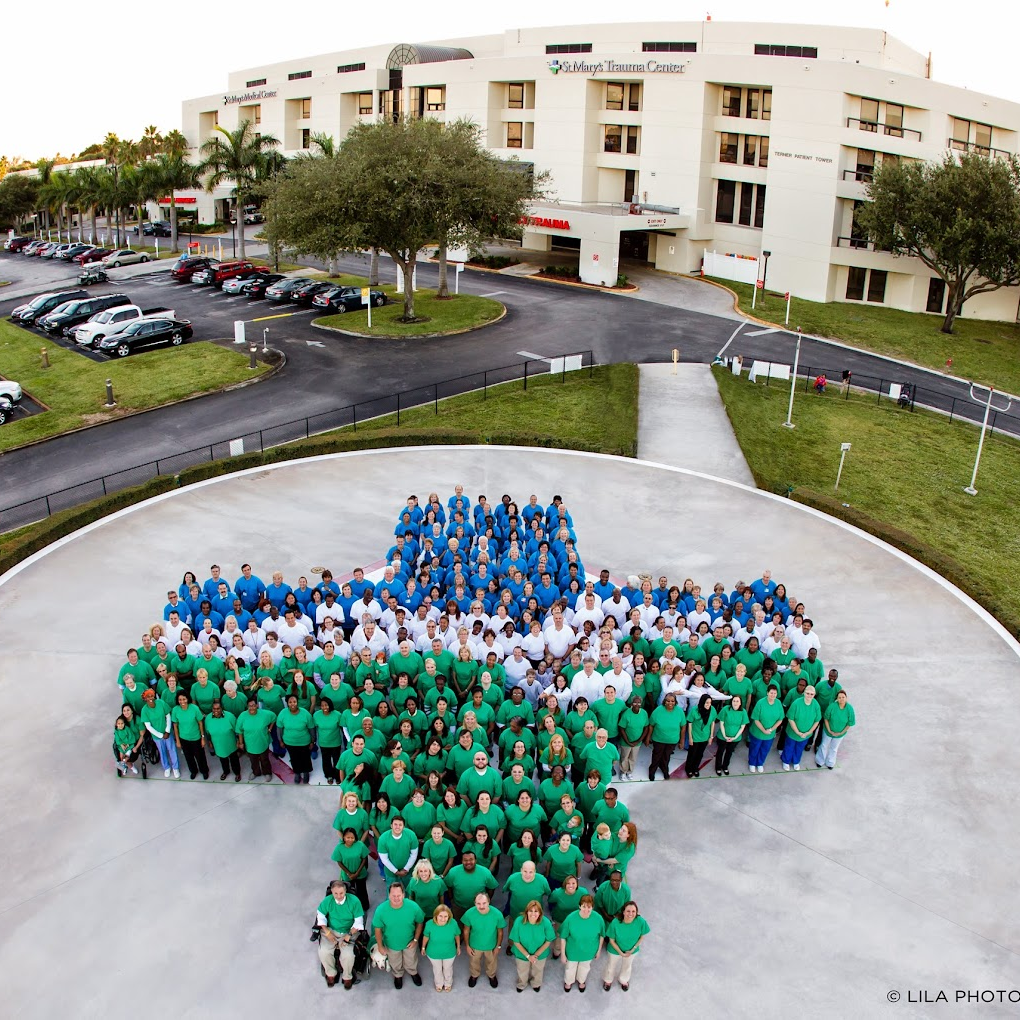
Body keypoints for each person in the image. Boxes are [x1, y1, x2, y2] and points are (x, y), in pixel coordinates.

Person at [372, 883, 425, 989]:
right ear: (389, 895)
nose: (396, 898)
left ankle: (413, 972)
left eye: (399, 895)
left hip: (409, 942)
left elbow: (420, 922)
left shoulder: (413, 906)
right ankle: (398, 975)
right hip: (391, 943)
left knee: (411, 960)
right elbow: (377, 929)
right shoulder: (381, 910)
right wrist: (380, 946)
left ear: (403, 895)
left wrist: (415, 940)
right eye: (393, 895)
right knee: (395, 962)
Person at [316, 879, 365, 989]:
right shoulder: (328, 901)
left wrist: (348, 935)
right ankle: (331, 973)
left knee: (348, 954)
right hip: (331, 930)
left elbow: (358, 922)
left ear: (345, 891)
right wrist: (327, 932)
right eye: (335, 893)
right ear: (332, 892)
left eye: (341, 893)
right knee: (323, 951)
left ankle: (347, 976)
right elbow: (320, 916)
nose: (338, 896)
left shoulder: (354, 901)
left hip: (349, 931)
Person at [559, 894, 605, 993]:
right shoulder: (571, 918)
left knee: (584, 967)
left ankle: (581, 981)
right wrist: (563, 954)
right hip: (572, 950)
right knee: (570, 968)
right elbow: (563, 937)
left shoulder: (598, 919)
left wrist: (599, 950)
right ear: (580, 906)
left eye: (589, 907)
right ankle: (569, 981)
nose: (586, 910)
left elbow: (602, 935)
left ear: (593, 907)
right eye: (584, 906)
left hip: (589, 951)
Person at [461, 891, 506, 988]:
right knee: (474, 962)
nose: (481, 906)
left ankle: (492, 976)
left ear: (489, 902)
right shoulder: (469, 914)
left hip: (491, 945)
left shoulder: (497, 914)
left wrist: (498, 946)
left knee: (492, 962)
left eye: (484, 903)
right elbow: (466, 931)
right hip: (475, 945)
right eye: (478, 903)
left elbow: (500, 932)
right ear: (475, 903)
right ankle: (474, 975)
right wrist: (467, 946)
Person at [603, 900, 650, 992]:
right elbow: (611, 940)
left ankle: (624, 980)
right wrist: (620, 952)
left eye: (633, 911)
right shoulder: (615, 922)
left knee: (627, 966)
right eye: (628, 911)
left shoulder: (641, 921)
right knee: (611, 966)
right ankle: (608, 980)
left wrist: (633, 949)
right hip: (615, 949)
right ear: (623, 912)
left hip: (631, 950)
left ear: (637, 912)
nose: (630, 914)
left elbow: (641, 937)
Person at [510, 899, 555, 993]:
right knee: (522, 970)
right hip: (521, 953)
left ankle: (536, 983)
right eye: (530, 911)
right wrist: (528, 956)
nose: (533, 914)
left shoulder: (546, 922)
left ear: (540, 913)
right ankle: (522, 984)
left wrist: (536, 955)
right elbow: (516, 941)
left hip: (540, 954)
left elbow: (548, 941)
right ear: (526, 912)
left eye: (536, 911)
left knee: (538, 970)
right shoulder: (519, 921)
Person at [140, 687, 179, 778]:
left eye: (151, 696)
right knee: (162, 752)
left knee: (172, 750)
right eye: (148, 697)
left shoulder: (161, 703)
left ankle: (175, 768)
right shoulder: (144, 710)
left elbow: (168, 717)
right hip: (157, 736)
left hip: (167, 733)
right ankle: (166, 768)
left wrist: (167, 731)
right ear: (144, 698)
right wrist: (161, 735)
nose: (150, 698)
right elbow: (148, 726)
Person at [780, 684, 821, 771]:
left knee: (799, 748)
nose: (809, 696)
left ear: (814, 694)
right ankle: (786, 761)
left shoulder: (816, 705)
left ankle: (796, 761)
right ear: (804, 693)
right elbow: (790, 718)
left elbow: (817, 721)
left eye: (811, 694)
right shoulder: (796, 703)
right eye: (807, 693)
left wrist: (809, 732)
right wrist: (797, 732)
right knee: (789, 747)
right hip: (793, 732)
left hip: (805, 734)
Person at [422, 904, 461, 993]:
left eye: (445, 916)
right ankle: (439, 984)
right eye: (440, 916)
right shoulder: (429, 924)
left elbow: (457, 935)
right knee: (437, 969)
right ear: (436, 915)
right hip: (433, 953)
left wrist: (458, 946)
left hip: (449, 952)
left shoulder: (453, 923)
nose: (443, 919)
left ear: (449, 916)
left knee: (448, 968)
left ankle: (448, 983)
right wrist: (423, 947)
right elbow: (426, 936)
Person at [277, 693, 315, 784]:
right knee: (294, 758)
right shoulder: (283, 713)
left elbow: (311, 728)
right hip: (289, 742)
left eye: (294, 702)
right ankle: (297, 772)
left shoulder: (305, 713)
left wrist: (312, 741)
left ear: (297, 702)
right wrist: (280, 740)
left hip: (304, 742)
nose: (292, 704)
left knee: (305, 758)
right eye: (290, 702)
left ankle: (306, 773)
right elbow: (279, 728)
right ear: (287, 703)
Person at [235, 697, 275, 781]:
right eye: (250, 706)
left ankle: (267, 772)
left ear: (257, 705)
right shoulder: (242, 716)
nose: (252, 708)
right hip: (250, 744)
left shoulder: (265, 714)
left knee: (265, 760)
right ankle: (256, 772)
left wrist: (270, 728)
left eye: (253, 705)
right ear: (247, 707)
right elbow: (239, 730)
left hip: (262, 742)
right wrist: (241, 743)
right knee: (253, 760)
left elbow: (274, 718)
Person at [645, 692, 683, 781]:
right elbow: (651, 725)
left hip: (672, 740)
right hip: (658, 739)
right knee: (656, 756)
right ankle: (652, 771)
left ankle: (664, 769)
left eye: (672, 701)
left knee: (666, 756)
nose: (670, 703)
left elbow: (683, 727)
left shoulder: (679, 711)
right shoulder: (658, 710)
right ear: (664, 701)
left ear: (675, 702)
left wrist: (681, 741)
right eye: (668, 701)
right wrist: (647, 738)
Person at [171, 691, 209, 780]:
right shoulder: (175, 710)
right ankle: (193, 771)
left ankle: (204, 771)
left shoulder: (194, 708)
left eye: (184, 699)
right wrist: (178, 740)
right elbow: (175, 726)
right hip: (184, 738)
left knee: (200, 756)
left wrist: (203, 738)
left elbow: (200, 723)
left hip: (196, 737)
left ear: (187, 699)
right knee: (188, 757)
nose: (182, 701)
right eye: (180, 700)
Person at [332, 827, 371, 913]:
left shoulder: (360, 845)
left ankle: (364, 906)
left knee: (362, 891)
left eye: (352, 838)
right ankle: (353, 909)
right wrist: (349, 873)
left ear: (355, 838)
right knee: (350, 892)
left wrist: (357, 872)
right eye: (347, 837)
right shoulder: (339, 848)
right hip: (347, 875)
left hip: (360, 873)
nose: (350, 840)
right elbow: (339, 862)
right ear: (344, 838)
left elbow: (364, 858)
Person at [747, 684, 783, 773]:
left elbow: (780, 719)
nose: (773, 695)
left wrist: (771, 729)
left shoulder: (778, 703)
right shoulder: (760, 703)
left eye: (775, 693)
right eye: (771, 693)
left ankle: (760, 763)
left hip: (770, 734)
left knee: (765, 749)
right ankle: (751, 763)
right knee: (754, 748)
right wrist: (763, 730)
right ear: (767, 693)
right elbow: (756, 719)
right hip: (758, 732)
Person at [815, 689, 856, 769]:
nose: (841, 699)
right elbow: (826, 718)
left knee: (834, 748)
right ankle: (820, 761)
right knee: (824, 745)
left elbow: (850, 723)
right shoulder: (832, 706)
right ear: (837, 698)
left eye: (843, 697)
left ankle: (830, 763)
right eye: (839, 697)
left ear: (846, 698)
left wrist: (841, 733)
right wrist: (829, 730)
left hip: (840, 734)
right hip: (828, 731)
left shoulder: (850, 709)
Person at [205, 700, 241, 781]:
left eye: (218, 709)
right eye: (214, 709)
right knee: (222, 759)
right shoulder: (208, 718)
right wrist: (210, 742)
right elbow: (207, 732)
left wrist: (239, 741)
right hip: (218, 744)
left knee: (234, 759)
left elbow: (237, 730)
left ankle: (237, 773)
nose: (216, 711)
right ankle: (226, 771)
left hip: (230, 744)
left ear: (222, 709)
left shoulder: (230, 716)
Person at [714, 695, 748, 776]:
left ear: (740, 703)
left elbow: (742, 726)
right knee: (720, 752)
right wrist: (725, 736)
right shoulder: (726, 709)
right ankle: (718, 767)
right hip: (723, 736)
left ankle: (725, 766)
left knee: (729, 752)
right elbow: (721, 723)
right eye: (734, 701)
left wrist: (734, 737)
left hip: (735, 738)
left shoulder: (743, 712)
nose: (735, 703)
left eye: (737, 701)